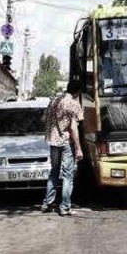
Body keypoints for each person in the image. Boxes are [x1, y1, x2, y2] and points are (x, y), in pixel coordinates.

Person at [41, 81, 84, 216]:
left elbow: (44, 119)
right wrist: (78, 147)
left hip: (53, 142)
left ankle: (47, 203)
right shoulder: (74, 104)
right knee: (67, 176)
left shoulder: (54, 101)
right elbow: (73, 127)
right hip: (66, 142)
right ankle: (65, 207)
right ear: (77, 92)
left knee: (54, 172)